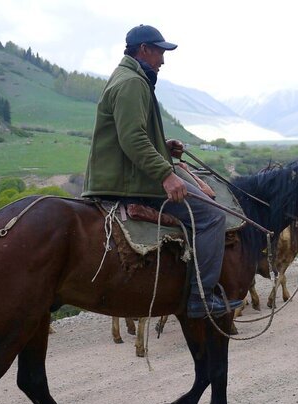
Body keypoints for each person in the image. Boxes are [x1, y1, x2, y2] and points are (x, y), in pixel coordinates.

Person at [82, 24, 239, 318]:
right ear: (143, 50)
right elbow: (132, 139)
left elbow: (130, 135)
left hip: (121, 174)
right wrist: (167, 174)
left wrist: (163, 146)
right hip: (129, 183)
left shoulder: (126, 77)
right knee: (211, 216)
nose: (163, 60)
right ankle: (202, 299)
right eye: (159, 52)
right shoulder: (133, 83)